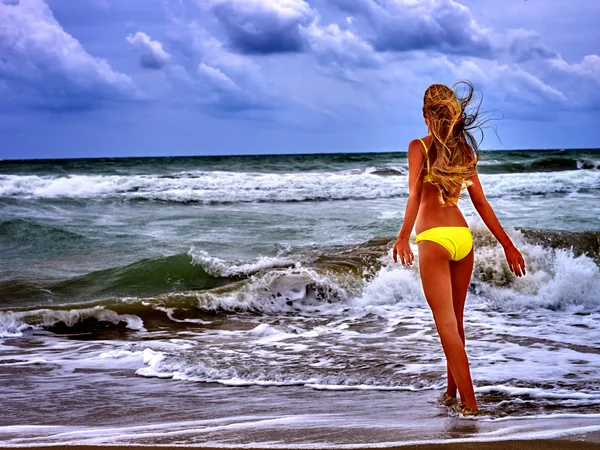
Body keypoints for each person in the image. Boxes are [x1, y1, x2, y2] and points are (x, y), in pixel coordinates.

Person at [392, 82, 526, 416]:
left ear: (425, 113)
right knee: (457, 323)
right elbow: (480, 202)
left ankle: (470, 405)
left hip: (435, 239)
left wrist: (403, 236)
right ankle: (451, 393)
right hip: (463, 238)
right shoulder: (463, 149)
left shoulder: (418, 147)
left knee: (446, 326)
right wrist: (508, 245)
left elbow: (413, 195)